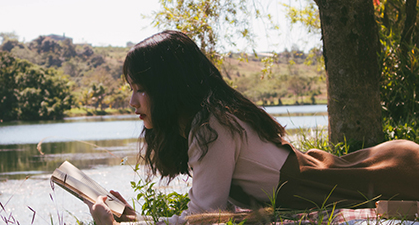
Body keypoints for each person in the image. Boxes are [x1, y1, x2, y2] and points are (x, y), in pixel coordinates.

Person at [87, 30, 419, 225]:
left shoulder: (212, 126)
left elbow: (205, 216)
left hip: (396, 171)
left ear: (169, 87)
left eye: (140, 89)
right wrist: (136, 220)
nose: (132, 102)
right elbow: (223, 216)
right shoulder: (209, 120)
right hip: (385, 165)